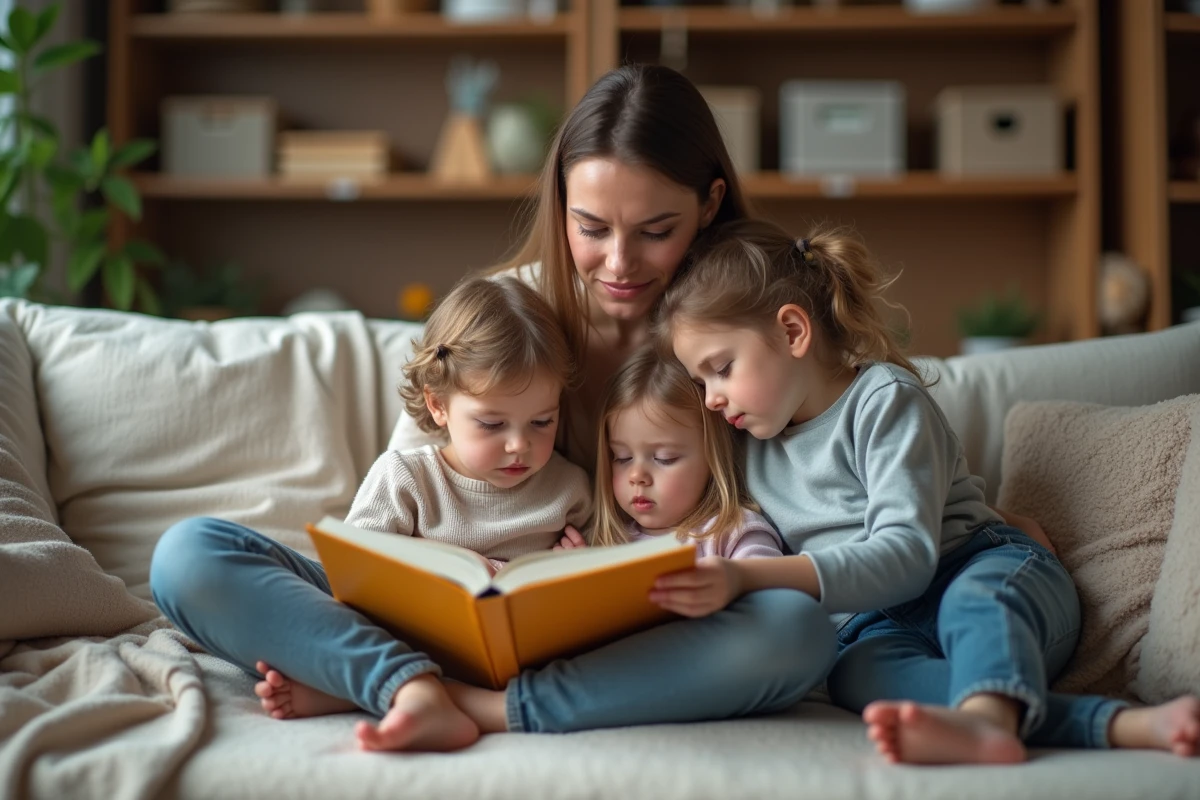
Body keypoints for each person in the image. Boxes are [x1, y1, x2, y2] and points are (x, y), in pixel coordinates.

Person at [152, 64, 834, 753]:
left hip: (618, 635)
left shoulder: (740, 333)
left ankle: (462, 701)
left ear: (710, 204)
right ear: (560, 205)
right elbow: (412, 493)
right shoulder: (505, 316)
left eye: (655, 231)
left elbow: (813, 504)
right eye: (591, 228)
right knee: (190, 557)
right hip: (433, 614)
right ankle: (409, 684)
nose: (619, 263)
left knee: (795, 630)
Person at [657, 218, 1200, 765]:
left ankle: (991, 722)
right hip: (876, 626)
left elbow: (907, 558)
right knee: (855, 675)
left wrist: (747, 576)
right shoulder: (747, 443)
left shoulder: (884, 400)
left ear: (794, 331)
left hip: (977, 570)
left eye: (721, 369)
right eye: (701, 382)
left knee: (976, 604)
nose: (711, 399)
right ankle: (1082, 723)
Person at [152, 276, 591, 752]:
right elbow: (352, 582)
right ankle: (402, 684)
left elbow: (608, 598)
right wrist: (433, 563)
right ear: (438, 405)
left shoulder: (570, 488)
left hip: (509, 654)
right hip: (388, 629)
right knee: (188, 555)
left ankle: (368, 687)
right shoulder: (406, 476)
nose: (519, 445)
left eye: (542, 422)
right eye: (492, 423)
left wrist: (577, 573)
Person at [564, 345, 783, 562]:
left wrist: (729, 577)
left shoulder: (733, 533)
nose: (636, 475)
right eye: (623, 457)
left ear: (712, 458)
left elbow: (770, 580)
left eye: (664, 458)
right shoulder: (606, 544)